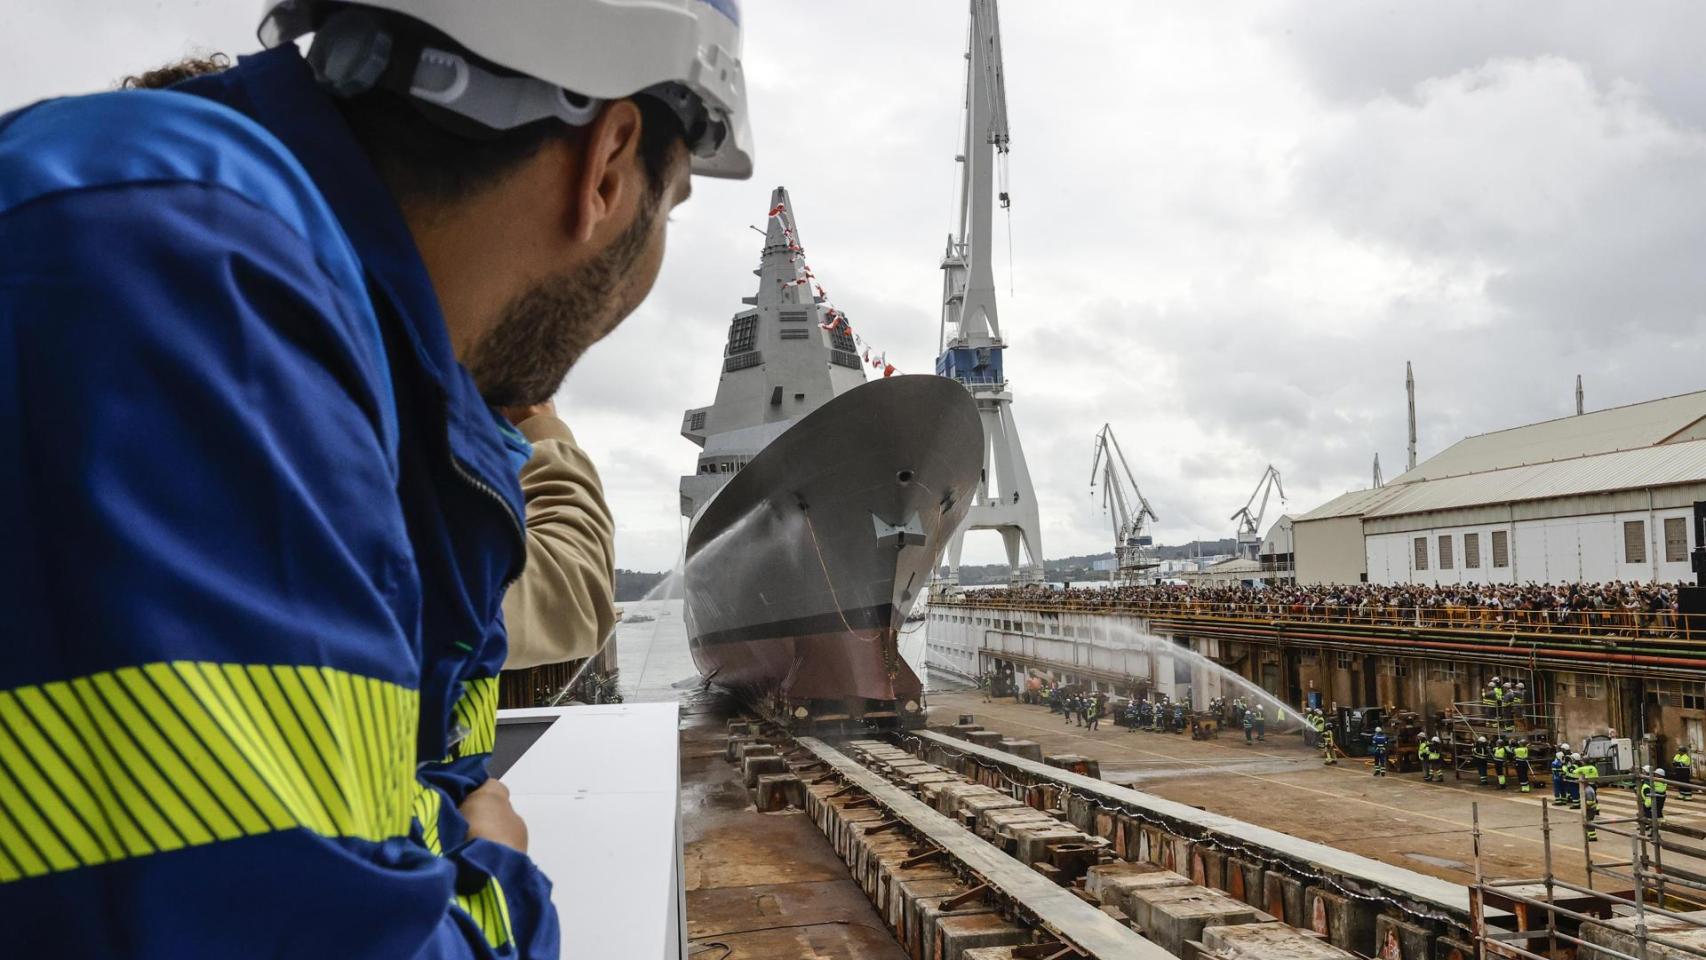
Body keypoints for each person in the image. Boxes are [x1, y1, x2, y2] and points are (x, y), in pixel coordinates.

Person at [0, 0, 751, 955]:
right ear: (609, 163)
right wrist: (497, 891)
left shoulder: (304, 335)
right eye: (672, 205)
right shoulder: (180, 276)